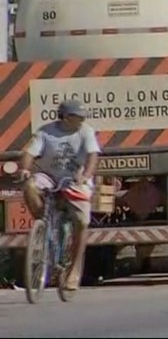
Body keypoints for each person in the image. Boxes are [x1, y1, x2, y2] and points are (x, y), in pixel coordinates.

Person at [17, 99, 101, 291]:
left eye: (81, 117)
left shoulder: (85, 132)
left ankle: (73, 272)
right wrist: (25, 169)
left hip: (75, 178)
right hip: (49, 176)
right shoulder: (46, 132)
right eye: (75, 116)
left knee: (82, 222)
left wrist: (86, 175)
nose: (80, 120)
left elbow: (92, 156)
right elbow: (29, 153)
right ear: (64, 117)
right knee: (29, 185)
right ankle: (42, 222)